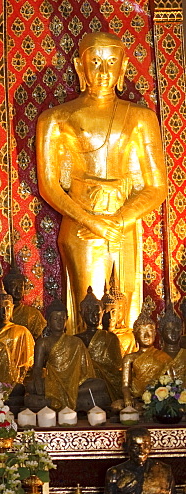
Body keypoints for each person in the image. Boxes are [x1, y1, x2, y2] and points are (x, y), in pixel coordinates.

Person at [37, 32, 167, 330]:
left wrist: (119, 220)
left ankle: (127, 375)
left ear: (123, 68)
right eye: (95, 62)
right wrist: (92, 221)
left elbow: (156, 186)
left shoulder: (140, 117)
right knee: (89, 311)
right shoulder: (56, 119)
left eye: (112, 62)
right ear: (79, 68)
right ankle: (85, 374)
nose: (104, 71)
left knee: (126, 315)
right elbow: (49, 185)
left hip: (124, 223)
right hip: (82, 225)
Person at [26, 299, 99, 412]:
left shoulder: (76, 341)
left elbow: (86, 370)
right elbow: (37, 368)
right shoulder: (43, 342)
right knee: (31, 387)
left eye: (62, 319)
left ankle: (54, 402)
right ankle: (75, 402)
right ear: (48, 321)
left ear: (67, 320)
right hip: (52, 382)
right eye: (55, 318)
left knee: (99, 385)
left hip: (75, 382)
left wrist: (75, 382)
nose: (59, 322)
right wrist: (38, 382)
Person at [76, 287, 123, 405]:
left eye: (97, 313)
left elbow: (116, 368)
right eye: (89, 313)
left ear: (102, 313)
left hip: (104, 385)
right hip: (83, 383)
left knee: (99, 385)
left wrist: (96, 368)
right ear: (81, 314)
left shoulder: (111, 338)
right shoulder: (75, 339)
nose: (94, 316)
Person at [121, 305, 171, 409]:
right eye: (142, 331)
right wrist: (127, 398)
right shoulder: (129, 358)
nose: (147, 336)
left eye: (150, 331)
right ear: (135, 335)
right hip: (136, 399)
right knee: (116, 406)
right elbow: (125, 385)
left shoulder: (163, 357)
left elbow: (172, 382)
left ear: (155, 334)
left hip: (158, 398)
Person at [0, 291, 34, 384]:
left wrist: (18, 375)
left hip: (16, 377)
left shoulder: (22, 331)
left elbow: (29, 361)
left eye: (8, 308)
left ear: (12, 308)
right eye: (0, 308)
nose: (4, 312)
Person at [2, 263, 46, 340]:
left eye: (20, 286)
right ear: (6, 287)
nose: (18, 289)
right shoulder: (1, 312)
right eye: (13, 286)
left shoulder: (33, 314)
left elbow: (42, 339)